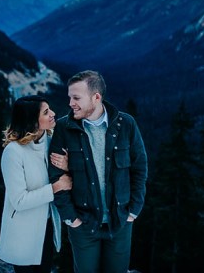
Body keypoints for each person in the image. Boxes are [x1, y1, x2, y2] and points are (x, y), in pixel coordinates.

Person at [49, 70, 148, 273]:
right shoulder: (63, 128)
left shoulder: (126, 124)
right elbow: (56, 176)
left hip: (120, 222)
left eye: (76, 98)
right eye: (69, 97)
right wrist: (71, 218)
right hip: (82, 225)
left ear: (96, 97)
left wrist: (133, 210)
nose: (70, 103)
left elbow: (139, 168)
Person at [0, 95, 72, 273]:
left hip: (45, 227)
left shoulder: (49, 141)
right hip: (23, 232)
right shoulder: (13, 152)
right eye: (46, 112)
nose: (53, 114)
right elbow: (19, 201)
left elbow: (63, 175)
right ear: (32, 121)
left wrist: (67, 166)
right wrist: (56, 188)